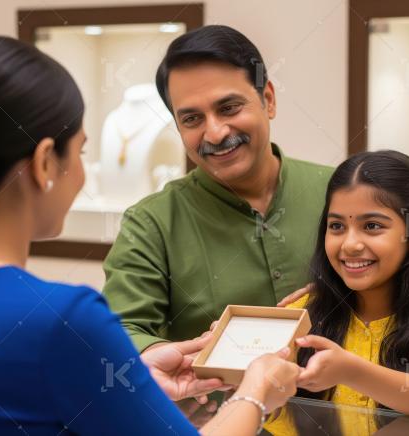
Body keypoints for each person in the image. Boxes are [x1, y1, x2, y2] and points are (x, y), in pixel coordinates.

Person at [0, 35, 300, 436]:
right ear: (44, 163)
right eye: (82, 152)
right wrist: (257, 388)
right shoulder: (63, 320)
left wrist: (133, 382)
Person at [101, 24, 333, 358]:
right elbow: (120, 332)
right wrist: (167, 359)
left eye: (229, 108)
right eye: (192, 119)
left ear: (268, 100)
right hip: (215, 410)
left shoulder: (339, 191)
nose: (215, 132)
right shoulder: (150, 224)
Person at [266, 151, 409, 435]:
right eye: (337, 226)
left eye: (372, 226)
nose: (350, 244)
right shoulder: (301, 313)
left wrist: (350, 371)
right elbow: (266, 404)